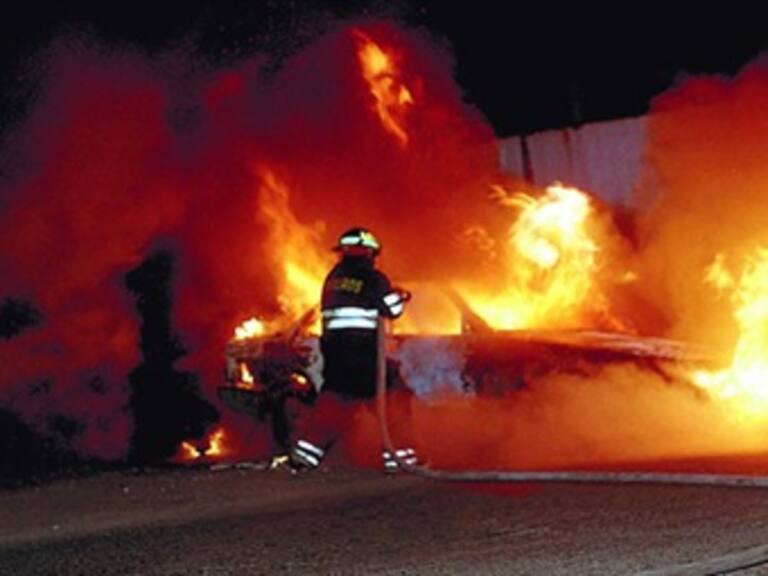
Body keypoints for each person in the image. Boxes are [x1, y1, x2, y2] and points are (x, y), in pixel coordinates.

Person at [289, 227, 417, 472]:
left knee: (335, 404)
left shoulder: (333, 279)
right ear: (370, 253)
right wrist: (400, 297)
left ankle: (305, 456)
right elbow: (392, 310)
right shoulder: (374, 279)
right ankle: (399, 460)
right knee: (393, 400)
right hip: (364, 355)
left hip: (335, 354)